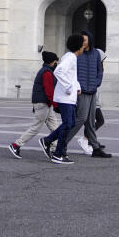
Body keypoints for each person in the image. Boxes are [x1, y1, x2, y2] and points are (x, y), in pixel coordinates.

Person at [40, 34, 84, 164]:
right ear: (79, 47)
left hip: (68, 97)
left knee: (70, 123)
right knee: (67, 124)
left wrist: (76, 86)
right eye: (82, 45)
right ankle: (58, 153)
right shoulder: (70, 57)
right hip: (65, 97)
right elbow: (58, 71)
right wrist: (69, 87)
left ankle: (48, 141)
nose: (83, 47)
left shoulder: (71, 57)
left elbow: (72, 76)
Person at [8, 51, 60, 159]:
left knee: (55, 127)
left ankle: (54, 148)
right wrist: (56, 105)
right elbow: (49, 91)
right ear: (51, 62)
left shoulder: (46, 71)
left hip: (45, 103)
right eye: (55, 62)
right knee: (36, 127)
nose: (56, 64)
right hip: (43, 103)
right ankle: (16, 145)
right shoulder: (47, 73)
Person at [69, 31, 111, 158]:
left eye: (85, 40)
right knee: (81, 118)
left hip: (92, 90)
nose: (83, 42)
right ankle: (62, 142)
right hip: (81, 91)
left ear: (90, 41)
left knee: (92, 121)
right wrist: (77, 86)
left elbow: (100, 70)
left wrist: (97, 82)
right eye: (82, 40)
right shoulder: (76, 54)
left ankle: (96, 148)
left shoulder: (96, 54)